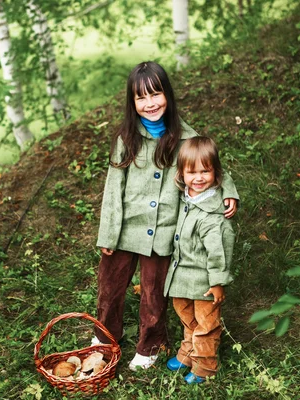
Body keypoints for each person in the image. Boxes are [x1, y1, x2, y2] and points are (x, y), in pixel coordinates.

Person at [93, 61, 239, 371]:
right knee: (110, 288)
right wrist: (107, 234)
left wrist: (229, 190)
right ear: (133, 103)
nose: (150, 104)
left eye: (155, 94)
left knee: (154, 293)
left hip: (164, 232)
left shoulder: (186, 138)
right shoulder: (126, 138)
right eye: (141, 98)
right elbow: (112, 187)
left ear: (167, 95)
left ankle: (150, 344)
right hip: (124, 230)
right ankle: (105, 339)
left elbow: (209, 164)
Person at [163, 136, 235, 384]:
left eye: (206, 171)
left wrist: (217, 282)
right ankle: (188, 352)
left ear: (216, 172)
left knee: (206, 324)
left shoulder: (212, 213)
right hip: (183, 275)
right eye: (192, 172)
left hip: (204, 280)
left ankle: (205, 366)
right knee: (186, 317)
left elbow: (218, 253)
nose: (199, 177)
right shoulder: (186, 198)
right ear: (182, 174)